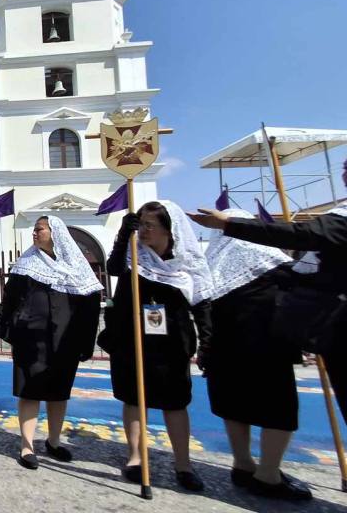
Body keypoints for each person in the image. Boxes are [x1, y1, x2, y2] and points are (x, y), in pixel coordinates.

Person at [188, 178, 347, 426]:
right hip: (264, 351)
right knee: (262, 410)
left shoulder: (265, 268)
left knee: (256, 408)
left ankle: (258, 465)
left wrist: (228, 224)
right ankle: (261, 465)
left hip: (262, 351)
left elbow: (300, 236)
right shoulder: (278, 268)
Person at [99, 201, 213, 491]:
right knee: (134, 399)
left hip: (171, 340)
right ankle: (136, 457)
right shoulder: (133, 257)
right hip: (132, 338)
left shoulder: (185, 264)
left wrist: (206, 342)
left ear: (168, 230)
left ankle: (184, 464)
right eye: (142, 224)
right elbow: (112, 268)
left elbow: (201, 302)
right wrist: (124, 235)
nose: (145, 230)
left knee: (175, 402)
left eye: (150, 225)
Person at [199, 208, 311, 501]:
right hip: (268, 349)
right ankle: (268, 473)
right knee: (278, 411)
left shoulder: (211, 263)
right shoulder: (270, 260)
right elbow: (304, 286)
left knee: (234, 406)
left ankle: (243, 462)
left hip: (224, 351)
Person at [0, 216, 102, 470]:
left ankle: (54, 442)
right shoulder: (26, 264)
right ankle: (27, 445)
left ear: (55, 232)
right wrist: (8, 328)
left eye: (39, 229)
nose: (34, 233)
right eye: (33, 229)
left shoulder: (75, 265)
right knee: (29, 391)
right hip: (31, 339)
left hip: (65, 340)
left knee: (58, 393)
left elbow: (89, 304)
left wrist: (86, 341)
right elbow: (10, 299)